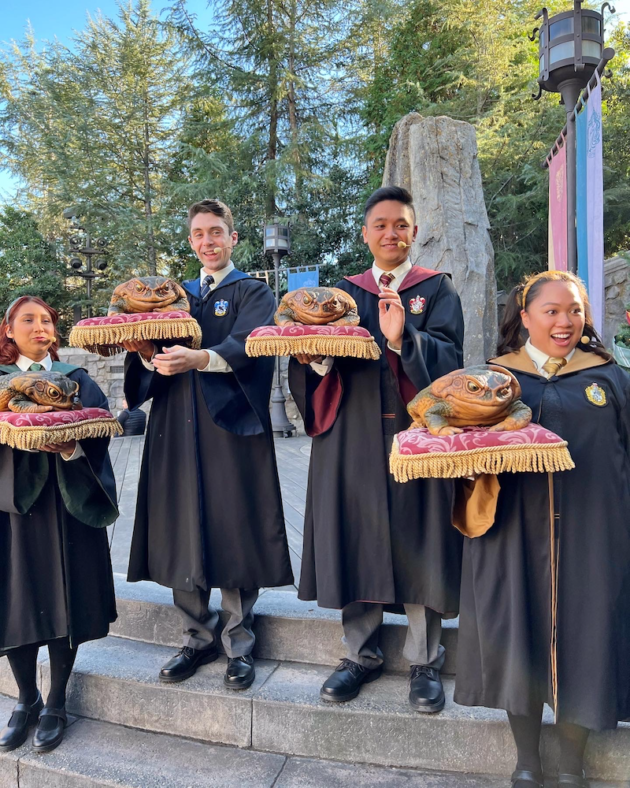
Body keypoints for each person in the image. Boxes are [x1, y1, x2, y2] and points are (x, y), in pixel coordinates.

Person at [289, 186, 464, 710]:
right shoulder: (343, 294)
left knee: (420, 538)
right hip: (353, 436)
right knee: (355, 533)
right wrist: (314, 358)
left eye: (401, 225)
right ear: (365, 233)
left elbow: (453, 364)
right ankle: (360, 654)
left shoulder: (436, 291)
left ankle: (424, 661)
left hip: (417, 438)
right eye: (381, 225)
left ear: (414, 233)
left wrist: (400, 337)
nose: (391, 234)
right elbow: (314, 364)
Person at [454, 270, 630, 788]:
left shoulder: (610, 379)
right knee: (519, 639)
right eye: (551, 310)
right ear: (525, 317)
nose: (565, 321)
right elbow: (461, 451)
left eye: (574, 310)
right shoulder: (493, 380)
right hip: (511, 536)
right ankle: (527, 760)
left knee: (587, 639)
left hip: (593, 540)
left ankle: (572, 763)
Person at [122, 199, 293, 690]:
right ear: (191, 241)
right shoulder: (172, 298)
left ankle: (239, 643)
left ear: (232, 238)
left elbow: (252, 344)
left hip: (229, 427)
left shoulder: (253, 291)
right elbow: (150, 361)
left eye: (216, 232)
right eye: (198, 234)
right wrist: (144, 351)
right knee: (181, 527)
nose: (207, 241)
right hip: (175, 427)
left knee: (233, 526)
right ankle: (196, 637)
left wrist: (200, 358)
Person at [0, 296, 118, 754]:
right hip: (12, 509)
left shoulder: (77, 380)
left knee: (65, 602)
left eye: (47, 319)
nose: (40, 326)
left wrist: (69, 449)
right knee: (14, 605)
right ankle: (25, 699)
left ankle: (55, 701)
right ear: (8, 330)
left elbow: (100, 431)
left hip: (68, 504)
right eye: (27, 320)